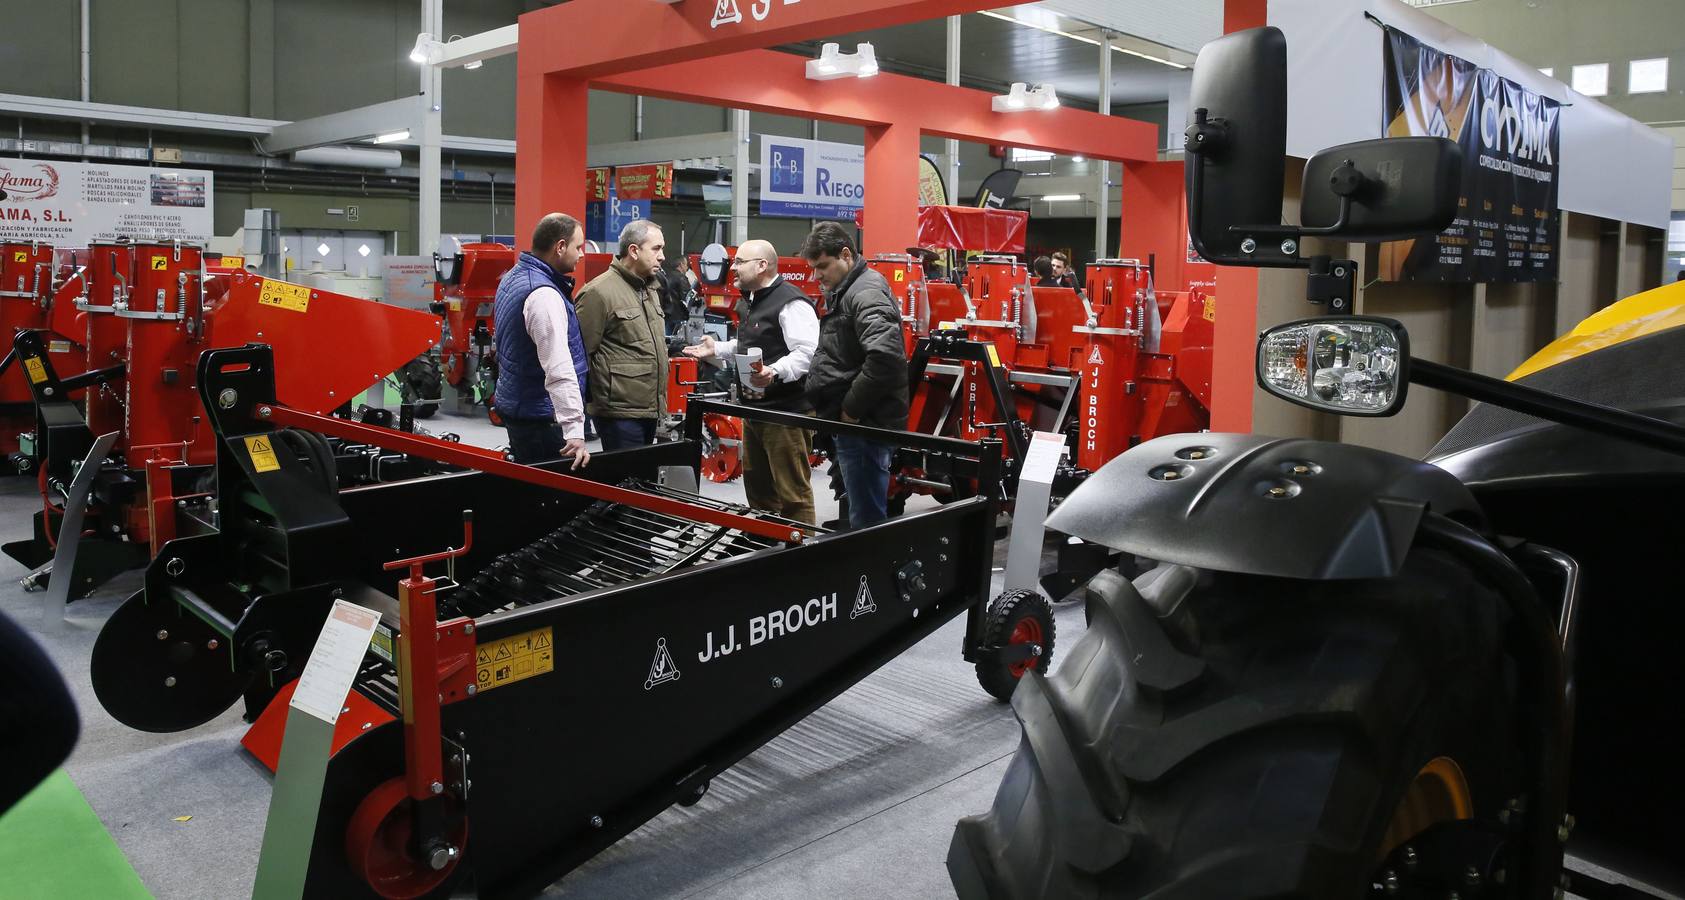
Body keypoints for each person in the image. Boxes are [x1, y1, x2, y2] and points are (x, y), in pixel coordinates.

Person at [683, 239, 818, 524]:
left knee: (793, 495)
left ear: (762, 265)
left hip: (786, 414)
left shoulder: (791, 302)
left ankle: (803, 557)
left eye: (740, 262)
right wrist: (716, 349)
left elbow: (807, 353)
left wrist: (774, 371)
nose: (733, 267)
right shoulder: (750, 301)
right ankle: (765, 548)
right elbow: (751, 343)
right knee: (759, 491)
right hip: (754, 411)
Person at [799, 222, 909, 529]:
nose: (817, 275)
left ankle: (868, 575)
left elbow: (885, 358)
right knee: (863, 511)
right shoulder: (849, 289)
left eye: (822, 266)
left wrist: (851, 409)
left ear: (845, 255)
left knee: (866, 520)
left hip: (865, 425)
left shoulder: (867, 292)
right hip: (857, 423)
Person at [491, 212, 591, 468]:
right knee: (553, 498)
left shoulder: (514, 277)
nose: (581, 254)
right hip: (543, 421)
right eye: (578, 247)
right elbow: (558, 367)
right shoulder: (543, 295)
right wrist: (574, 430)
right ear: (560, 247)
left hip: (522, 410)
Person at [576, 219, 668, 450]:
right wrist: (576, 419)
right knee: (623, 480)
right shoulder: (598, 292)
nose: (662, 256)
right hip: (618, 413)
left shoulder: (649, 289)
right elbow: (579, 356)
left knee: (641, 480)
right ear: (634, 251)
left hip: (648, 408)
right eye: (656, 248)